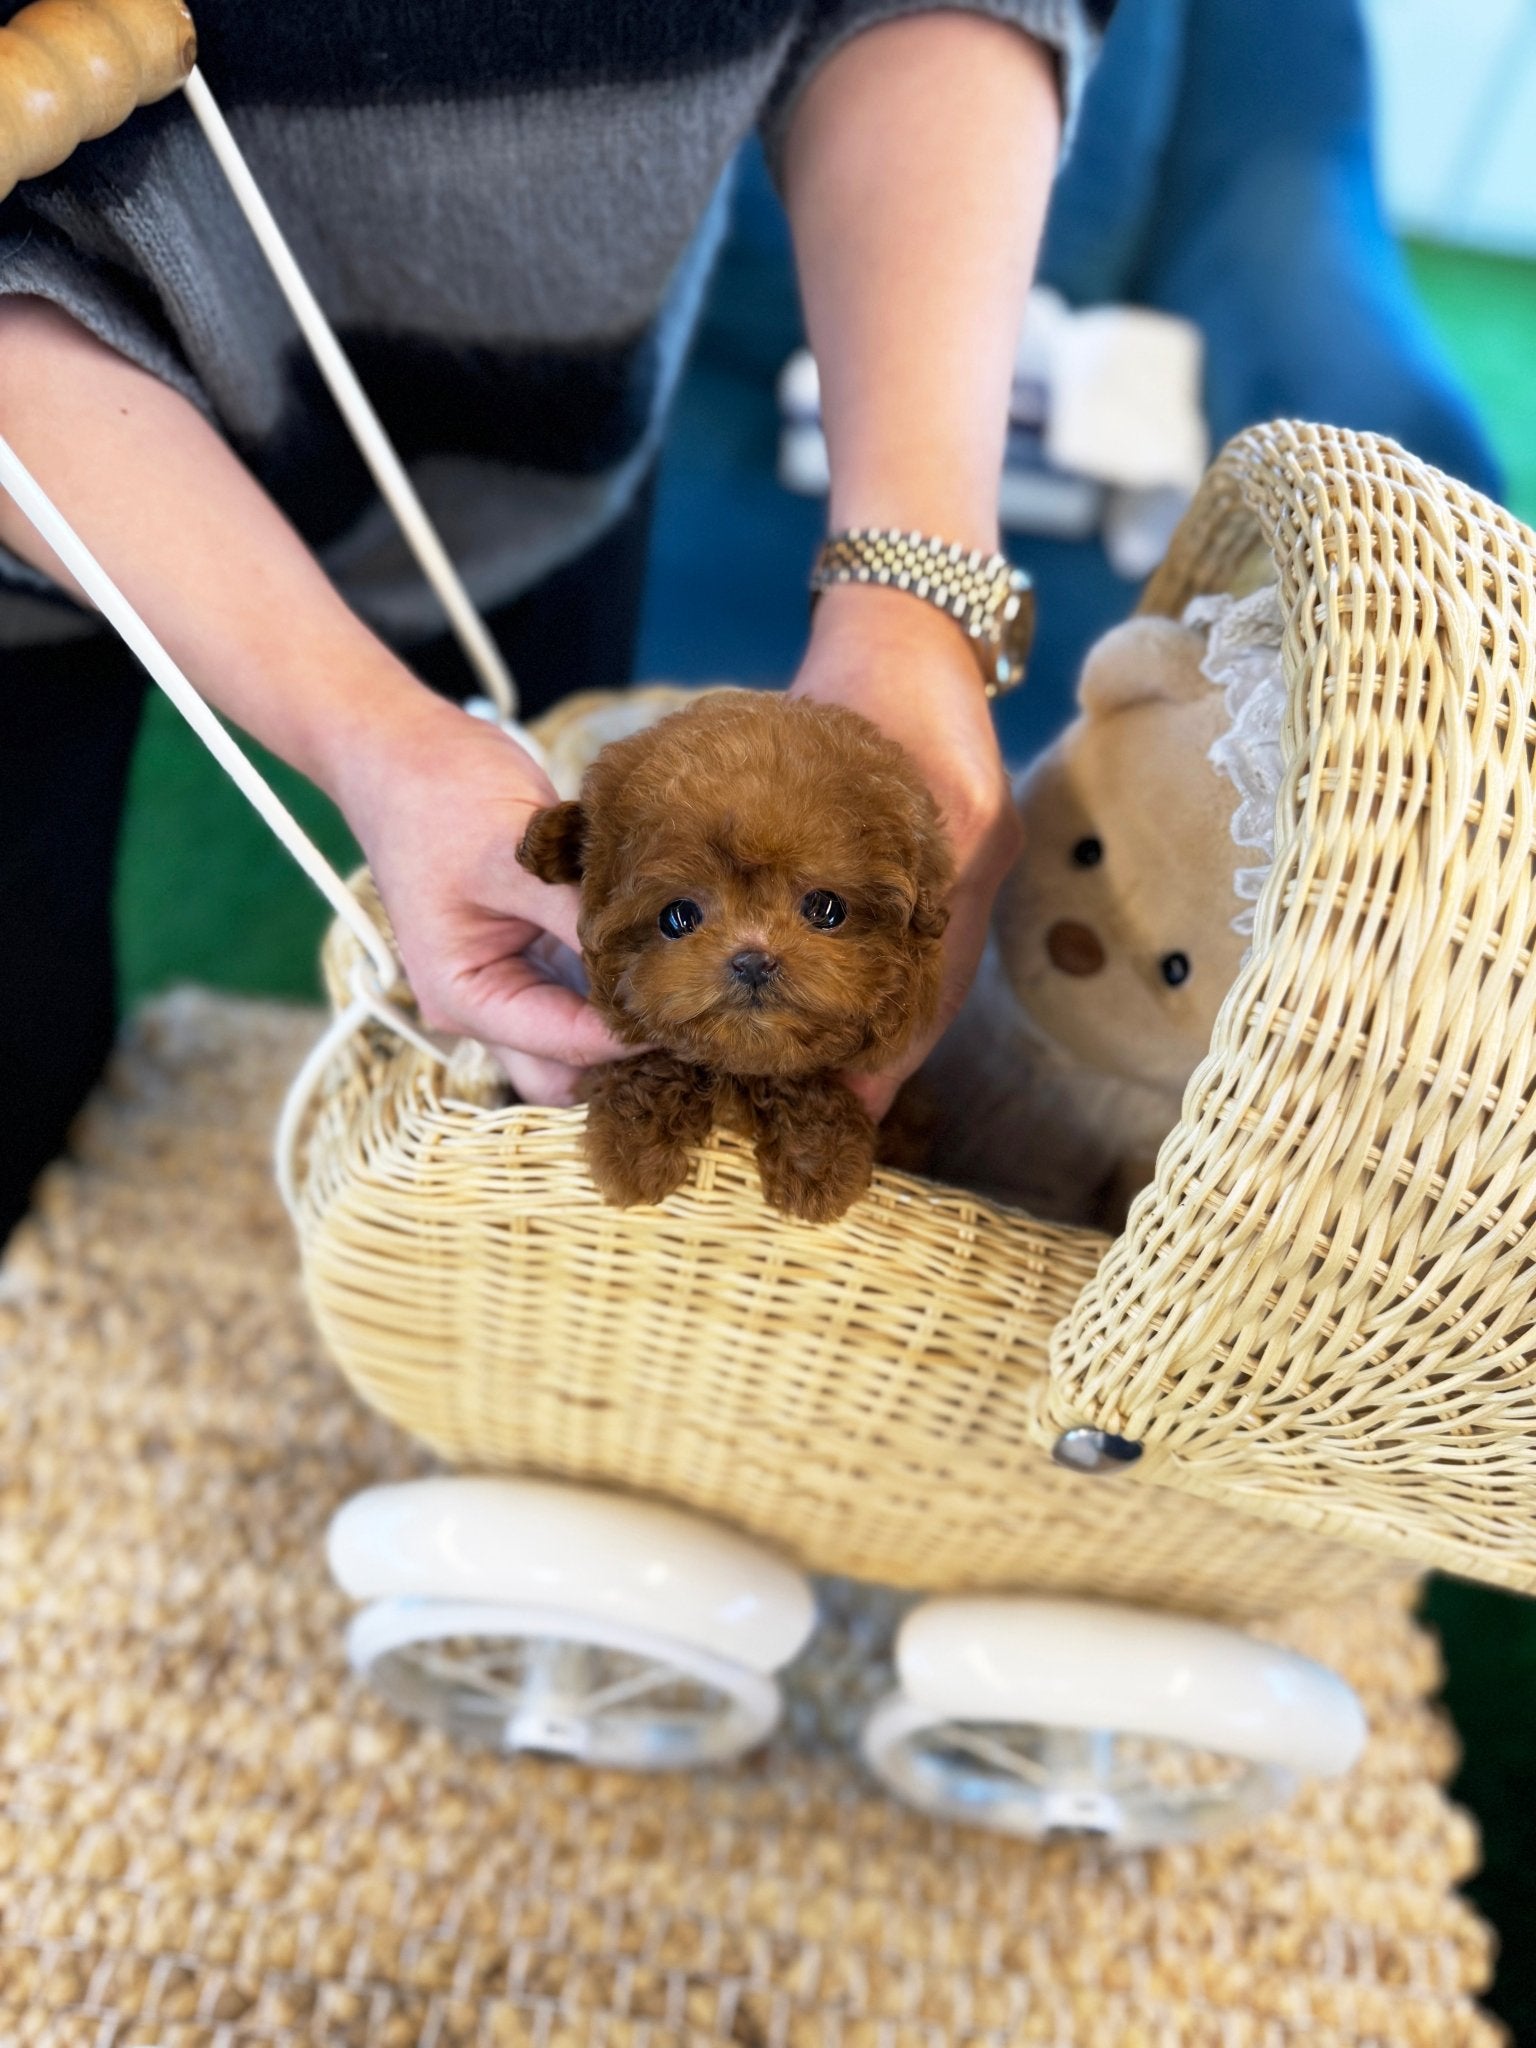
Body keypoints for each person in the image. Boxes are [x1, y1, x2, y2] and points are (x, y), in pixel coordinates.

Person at [0, 3, 1098, 1243]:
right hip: (33, 475)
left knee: (527, 1076)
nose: (747, 953)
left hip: (546, 472)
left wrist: (910, 593)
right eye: (686, 921)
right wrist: (367, 731)